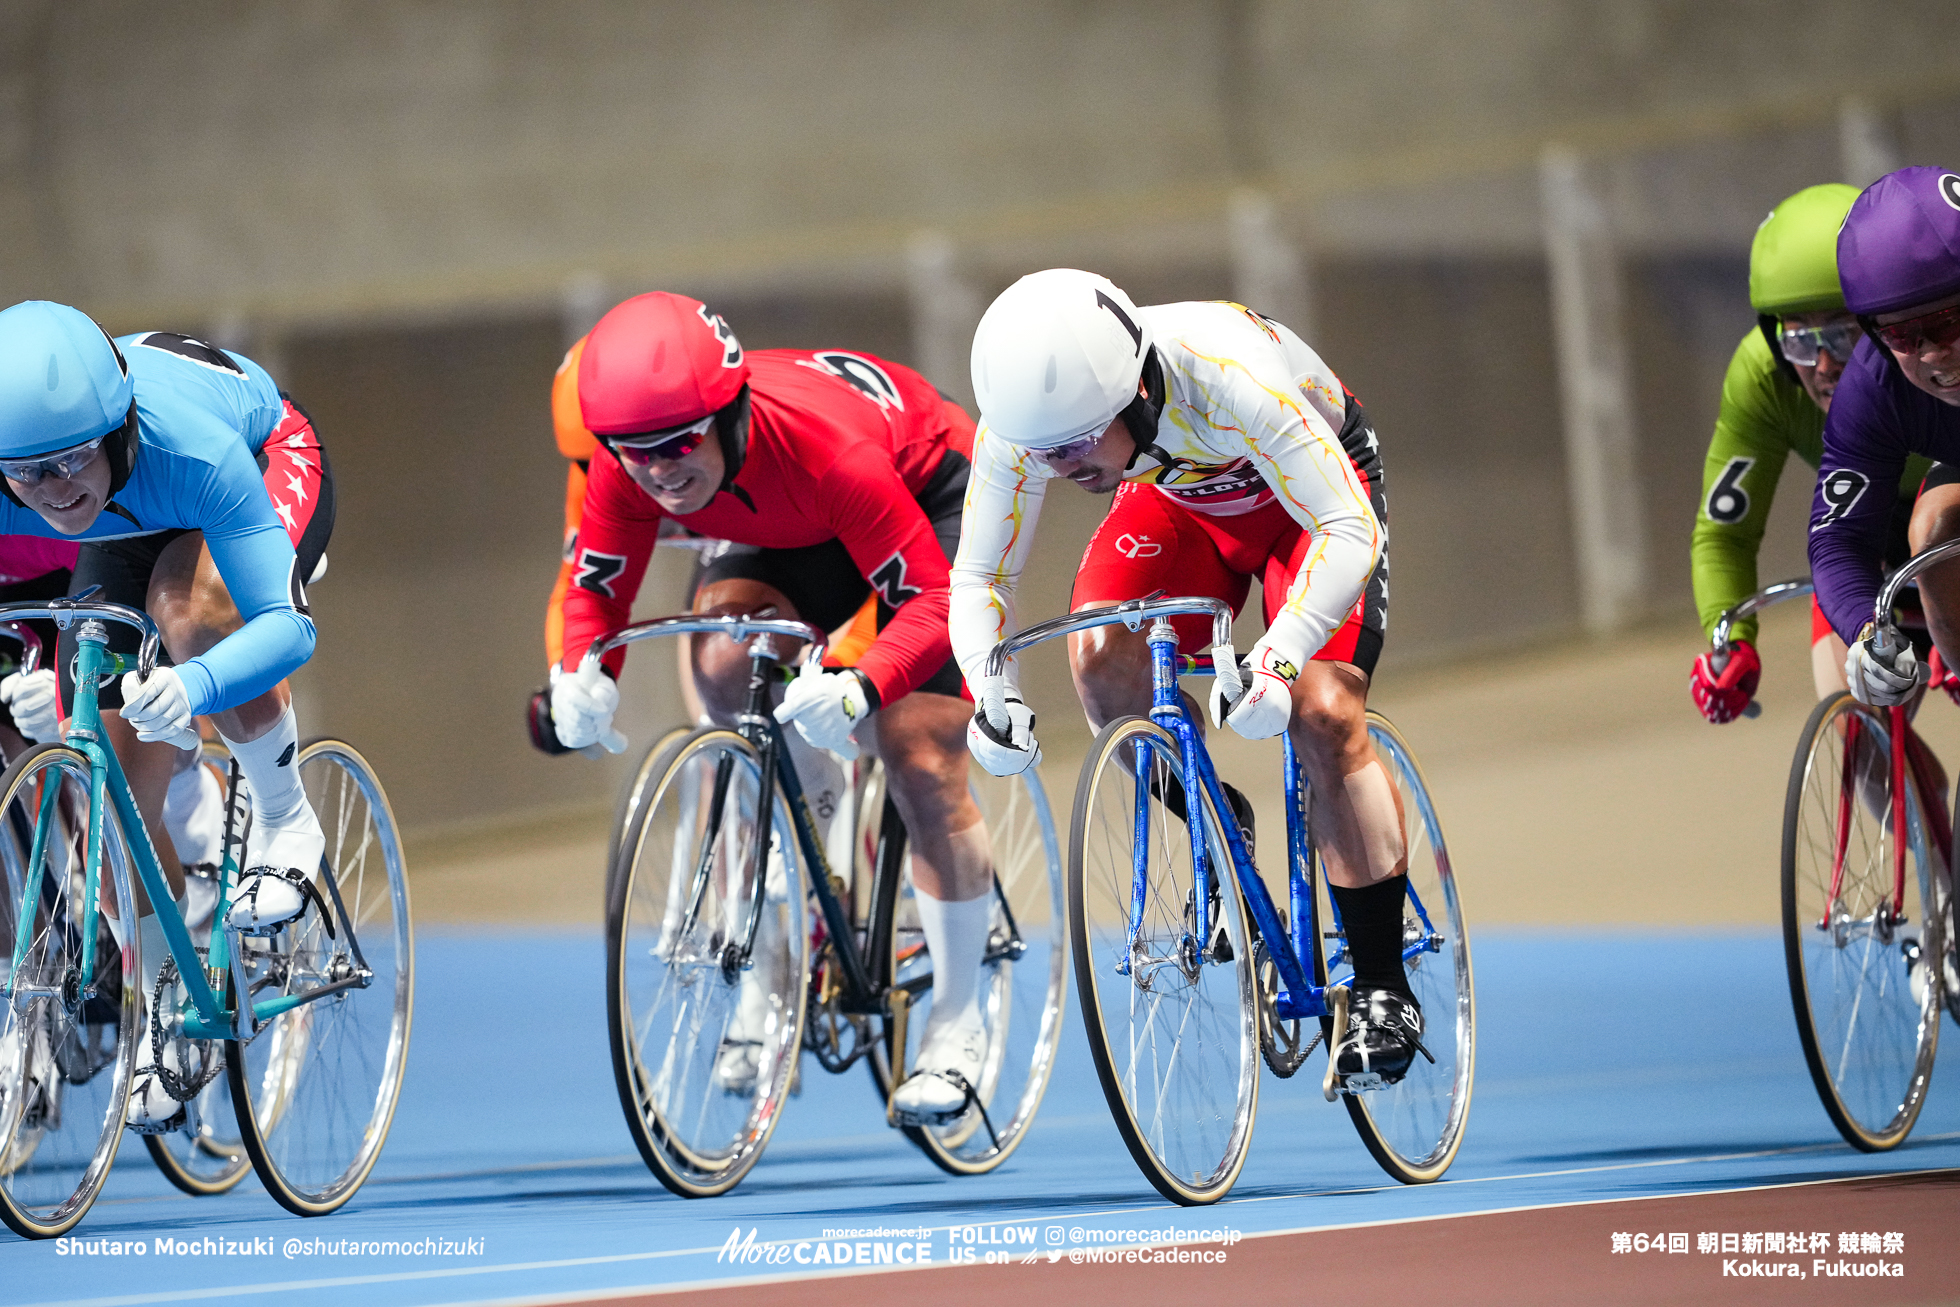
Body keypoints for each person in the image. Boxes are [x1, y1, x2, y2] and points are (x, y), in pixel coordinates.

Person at [951, 269, 1422, 1089]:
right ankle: (1212, 814)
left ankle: (1385, 984)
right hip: (1180, 496)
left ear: (1136, 389)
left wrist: (1276, 657)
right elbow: (979, 576)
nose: (1061, 466)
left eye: (1078, 442)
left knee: (1321, 711)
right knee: (1101, 664)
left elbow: (1345, 526)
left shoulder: (1228, 376)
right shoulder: (1028, 425)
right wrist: (987, 691)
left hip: (1309, 499)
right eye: (1045, 451)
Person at [543, 291, 998, 1123]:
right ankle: (813, 825)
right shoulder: (632, 465)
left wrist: (862, 683)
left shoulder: (828, 453)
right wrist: (580, 672)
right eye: (633, 451)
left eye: (679, 442)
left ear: (727, 412)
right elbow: (594, 592)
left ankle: (960, 1021)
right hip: (786, 519)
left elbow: (933, 601)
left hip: (918, 486)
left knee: (918, 747)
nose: (661, 468)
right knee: (724, 662)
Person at [0, 302, 334, 1130]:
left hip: (261, 461)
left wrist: (195, 685)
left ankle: (287, 818)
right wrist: (29, 675)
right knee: (108, 799)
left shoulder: (195, 448)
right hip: (132, 515)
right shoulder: (53, 479)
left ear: (113, 430)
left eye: (73, 458)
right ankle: (165, 1000)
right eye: (29, 473)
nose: (57, 489)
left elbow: (287, 628)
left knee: (187, 614)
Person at [1688, 184, 1932, 722]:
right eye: (1800, 341)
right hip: (1864, 537)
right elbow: (1723, 534)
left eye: (1843, 336)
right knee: (1850, 728)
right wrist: (1731, 640)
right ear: (1775, 342)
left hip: (1940, 518)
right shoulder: (1761, 377)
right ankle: (1923, 801)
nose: (1823, 367)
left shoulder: (1925, 345)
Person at [1807, 166, 1960, 1011]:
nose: (1933, 354)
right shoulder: (1873, 383)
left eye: (1947, 321)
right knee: (1930, 529)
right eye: (1907, 336)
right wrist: (1866, 634)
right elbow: (1836, 536)